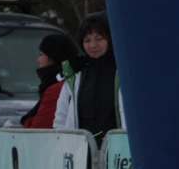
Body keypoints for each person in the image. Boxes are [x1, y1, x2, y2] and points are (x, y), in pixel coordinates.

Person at [52, 12, 125, 142]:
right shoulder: (75, 74)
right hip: (81, 152)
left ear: (110, 39)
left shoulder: (124, 72)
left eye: (99, 38)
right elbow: (61, 118)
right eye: (87, 40)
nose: (93, 45)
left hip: (117, 153)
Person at [20, 33, 76, 129]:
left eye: (41, 54)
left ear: (53, 57)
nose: (38, 60)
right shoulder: (71, 80)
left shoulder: (56, 89)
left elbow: (39, 128)